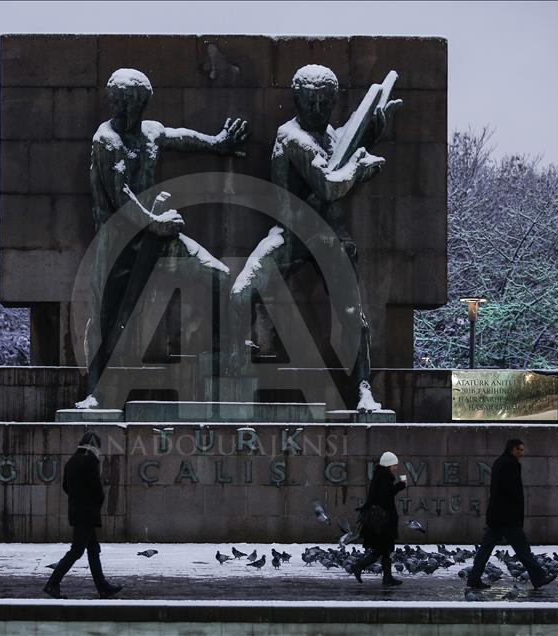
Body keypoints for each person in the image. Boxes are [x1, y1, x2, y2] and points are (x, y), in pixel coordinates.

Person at [230, 64, 400, 411]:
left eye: (326, 104)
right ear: (298, 100)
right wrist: (360, 169)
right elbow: (328, 184)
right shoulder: (291, 137)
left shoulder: (329, 136)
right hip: (290, 233)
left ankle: (364, 389)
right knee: (242, 291)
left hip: (327, 236)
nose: (319, 111)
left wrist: (372, 129)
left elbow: (345, 147)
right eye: (312, 103)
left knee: (352, 313)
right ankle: (235, 374)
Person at [76, 68, 249, 409]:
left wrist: (218, 144)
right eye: (119, 104)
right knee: (108, 316)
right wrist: (156, 222)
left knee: (219, 276)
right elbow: (120, 195)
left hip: (158, 235)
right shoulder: (106, 140)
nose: (124, 112)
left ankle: (221, 360)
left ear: (143, 105)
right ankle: (95, 390)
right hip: (118, 244)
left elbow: (180, 137)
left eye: (132, 105)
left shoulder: (150, 133)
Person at [466, 438, 557, 590]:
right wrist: (516, 511)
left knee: (485, 550)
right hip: (508, 517)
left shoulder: (500, 462)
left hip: (497, 516)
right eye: (520, 449)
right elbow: (511, 491)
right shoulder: (510, 464)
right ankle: (538, 577)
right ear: (512, 449)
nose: (522, 453)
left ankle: (474, 579)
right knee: (522, 549)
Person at [43, 432, 122, 599]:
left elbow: (66, 486)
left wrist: (77, 498)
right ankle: (52, 583)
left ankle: (103, 587)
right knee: (77, 550)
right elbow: (96, 487)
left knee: (93, 549)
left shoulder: (72, 460)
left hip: (77, 509)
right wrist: (97, 501)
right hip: (87, 512)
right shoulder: (90, 460)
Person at [351, 451, 406, 586]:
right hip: (383, 522)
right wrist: (400, 486)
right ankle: (359, 566)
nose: (396, 468)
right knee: (381, 550)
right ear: (388, 465)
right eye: (394, 465)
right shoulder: (384, 478)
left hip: (383, 521)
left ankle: (387, 578)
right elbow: (385, 497)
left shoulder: (381, 476)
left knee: (385, 550)